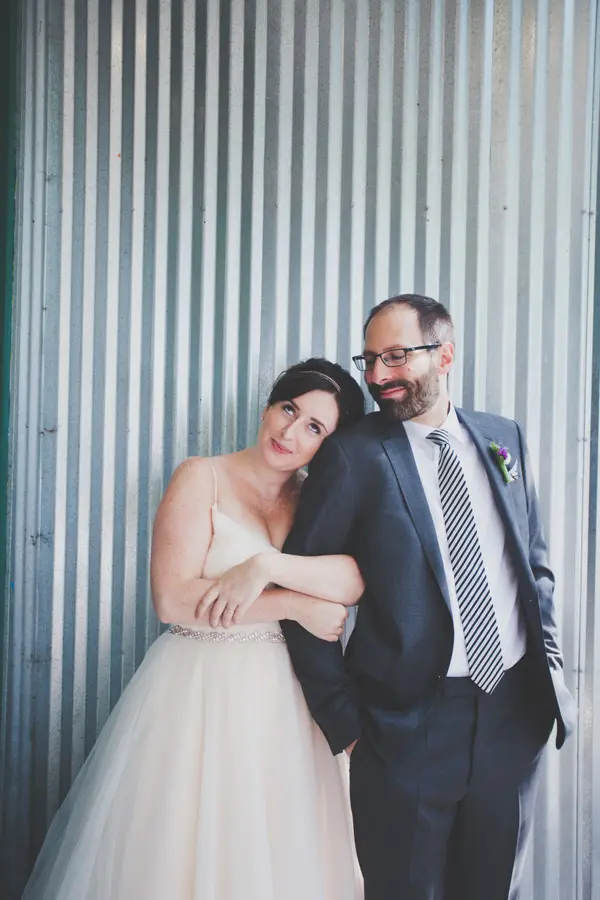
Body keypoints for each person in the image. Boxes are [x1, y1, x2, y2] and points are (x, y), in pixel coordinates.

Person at [22, 359, 366, 900]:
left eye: (314, 428)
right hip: (201, 688)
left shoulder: (315, 499)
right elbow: (173, 599)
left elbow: (353, 578)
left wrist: (265, 569)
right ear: (269, 406)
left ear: (329, 445)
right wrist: (296, 604)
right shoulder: (201, 475)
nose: (290, 432)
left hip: (292, 699)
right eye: (289, 409)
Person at [279, 296, 577, 900]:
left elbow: (534, 568)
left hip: (512, 712)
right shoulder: (353, 453)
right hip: (404, 725)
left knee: (494, 888)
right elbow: (297, 588)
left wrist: (545, 665)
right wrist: (346, 721)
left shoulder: (502, 437)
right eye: (369, 359)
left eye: (395, 356)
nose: (378, 376)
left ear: (445, 354)